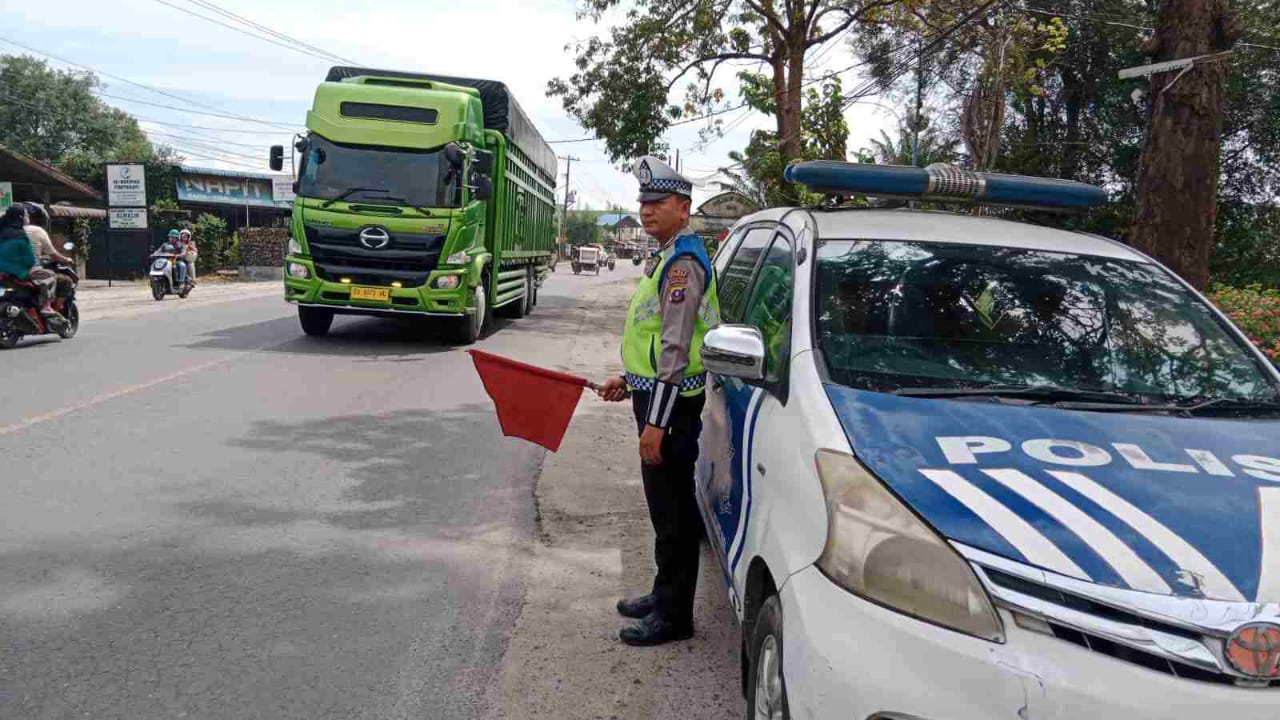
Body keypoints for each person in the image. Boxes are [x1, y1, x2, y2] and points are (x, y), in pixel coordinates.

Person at [596, 156, 721, 646]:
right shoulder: (669, 254)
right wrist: (629, 380)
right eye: (643, 202)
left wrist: (657, 424)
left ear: (683, 208)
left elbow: (674, 350)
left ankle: (674, 616)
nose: (646, 210)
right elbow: (655, 343)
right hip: (656, 398)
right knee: (662, 509)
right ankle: (663, 591)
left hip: (671, 409)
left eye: (657, 202)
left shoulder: (683, 264)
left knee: (673, 513)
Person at [0, 205, 57, 316]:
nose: (27, 218)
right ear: (20, 217)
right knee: (49, 275)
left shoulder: (2, 231)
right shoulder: (20, 235)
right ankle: (46, 305)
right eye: (26, 215)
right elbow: (29, 260)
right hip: (17, 273)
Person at [22, 203, 75, 305]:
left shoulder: (7, 232)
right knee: (65, 281)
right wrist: (66, 259)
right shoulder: (37, 230)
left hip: (7, 274)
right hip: (27, 272)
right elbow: (53, 254)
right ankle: (51, 309)